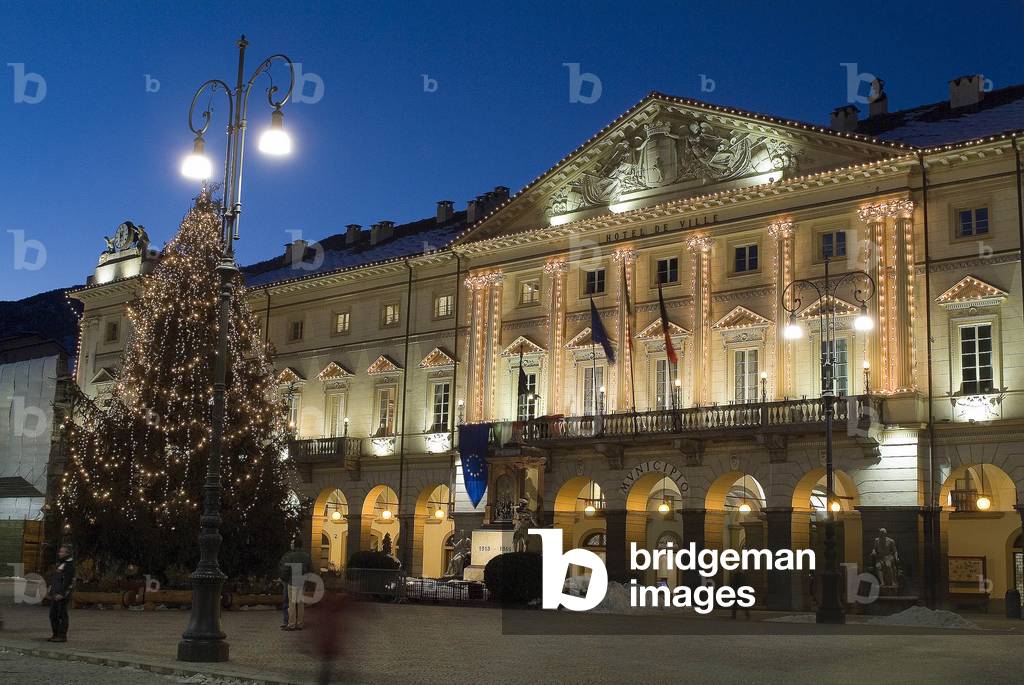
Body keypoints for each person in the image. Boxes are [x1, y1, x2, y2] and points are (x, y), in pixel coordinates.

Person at [279, 538, 313, 631]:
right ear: (301, 545)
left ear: (295, 545)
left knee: (292, 603)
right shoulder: (306, 556)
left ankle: (291, 624)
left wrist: (284, 579)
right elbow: (311, 569)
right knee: (301, 604)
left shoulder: (291, 556)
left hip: (292, 581)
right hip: (301, 582)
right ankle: (300, 624)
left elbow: (286, 570)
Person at [48, 544, 75, 642]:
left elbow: (67, 581)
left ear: (67, 553)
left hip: (61, 594)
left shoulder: (69, 565)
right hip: (55, 593)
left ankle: (62, 635)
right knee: (53, 614)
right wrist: (51, 590)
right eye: (60, 551)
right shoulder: (60, 563)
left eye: (62, 552)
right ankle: (55, 634)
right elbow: (56, 579)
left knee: (62, 614)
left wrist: (62, 593)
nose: (59, 553)